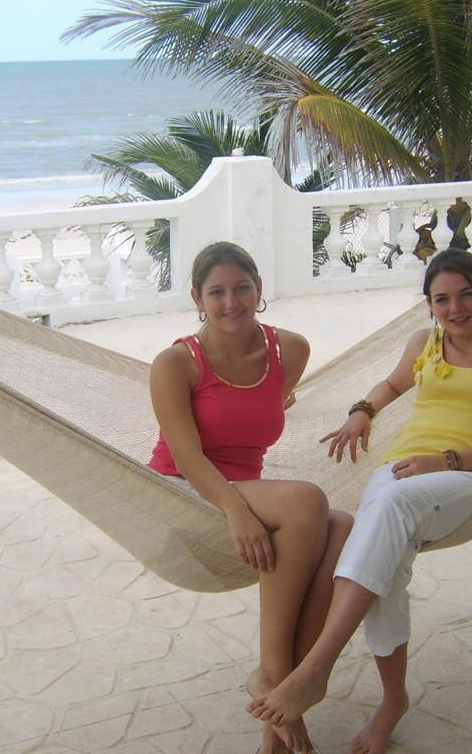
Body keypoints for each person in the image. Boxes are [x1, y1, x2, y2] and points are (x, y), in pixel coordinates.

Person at [247, 248, 472, 754]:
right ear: (430, 306)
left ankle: (315, 669)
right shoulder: (423, 344)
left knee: (383, 513)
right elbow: (390, 384)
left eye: (466, 294)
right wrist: (362, 411)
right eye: (442, 299)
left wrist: (447, 460)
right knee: (385, 560)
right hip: (401, 472)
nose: (456, 308)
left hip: (465, 477)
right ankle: (391, 701)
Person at [148, 241, 352, 754]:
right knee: (308, 502)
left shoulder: (292, 351)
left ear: (260, 289)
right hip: (185, 492)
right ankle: (279, 682)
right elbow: (189, 457)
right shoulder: (176, 363)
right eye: (216, 292)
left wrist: (246, 500)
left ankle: (273, 719)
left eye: (242, 287)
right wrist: (237, 510)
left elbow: (270, 404)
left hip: (246, 492)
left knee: (345, 527)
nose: (231, 302)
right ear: (197, 298)